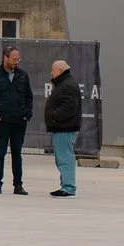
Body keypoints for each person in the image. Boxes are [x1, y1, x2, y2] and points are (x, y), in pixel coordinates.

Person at [0, 45, 34, 194]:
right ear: (5, 58)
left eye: (18, 59)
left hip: (19, 121)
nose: (16, 62)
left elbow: (29, 97)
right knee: (0, 152)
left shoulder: (23, 75)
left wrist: (26, 115)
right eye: (14, 59)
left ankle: (18, 185)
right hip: (2, 121)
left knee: (17, 153)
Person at [46, 58, 82, 197]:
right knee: (62, 158)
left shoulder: (67, 85)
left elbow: (70, 107)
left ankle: (68, 188)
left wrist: (54, 116)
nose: (51, 73)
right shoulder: (64, 83)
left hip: (65, 128)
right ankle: (65, 186)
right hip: (62, 128)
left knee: (65, 158)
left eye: (53, 70)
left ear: (60, 71)